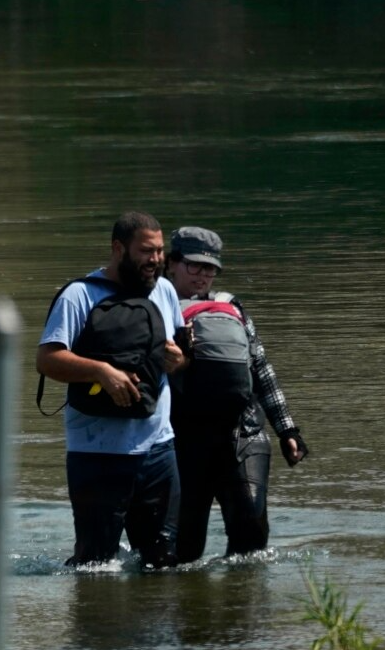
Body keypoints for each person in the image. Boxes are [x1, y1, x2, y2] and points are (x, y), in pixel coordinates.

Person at [35, 212, 189, 569]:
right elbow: (47, 359)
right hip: (96, 454)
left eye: (160, 251)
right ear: (118, 249)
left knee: (162, 562)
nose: (155, 260)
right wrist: (101, 372)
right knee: (95, 565)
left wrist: (178, 360)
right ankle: (97, 624)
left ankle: (154, 625)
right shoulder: (79, 295)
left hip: (158, 451)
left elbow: (181, 361)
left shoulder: (164, 290)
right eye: (146, 252)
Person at [164, 226, 309, 562]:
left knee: (251, 544)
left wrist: (287, 430)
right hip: (182, 442)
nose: (203, 276)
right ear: (172, 263)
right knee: (181, 553)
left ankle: (242, 608)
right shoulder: (152, 307)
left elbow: (261, 369)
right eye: (194, 266)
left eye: (210, 268)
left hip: (243, 433)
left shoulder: (233, 308)